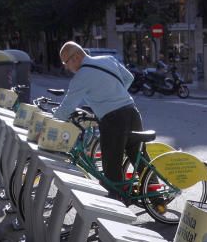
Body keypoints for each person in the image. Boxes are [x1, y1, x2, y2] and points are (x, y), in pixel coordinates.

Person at [53, 41, 143, 198]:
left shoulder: (81, 77)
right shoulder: (108, 59)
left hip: (113, 121)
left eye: (66, 62)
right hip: (132, 112)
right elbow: (129, 77)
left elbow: (67, 107)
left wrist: (50, 122)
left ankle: (115, 208)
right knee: (139, 157)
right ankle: (157, 200)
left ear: (78, 55)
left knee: (112, 167)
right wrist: (115, 94)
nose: (66, 67)